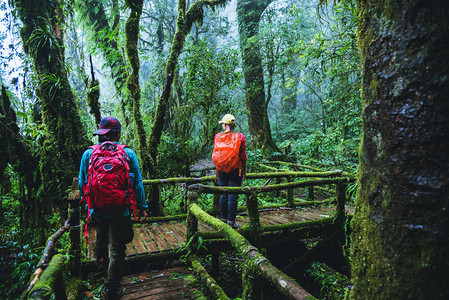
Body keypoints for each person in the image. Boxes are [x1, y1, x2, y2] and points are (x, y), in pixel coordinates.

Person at [78, 117, 148, 299]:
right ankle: (112, 288)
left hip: (97, 209)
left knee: (101, 236)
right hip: (121, 210)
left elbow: (82, 183)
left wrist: (88, 205)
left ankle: (102, 263)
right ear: (117, 133)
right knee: (117, 249)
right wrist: (142, 206)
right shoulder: (128, 153)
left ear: (101, 134)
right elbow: (138, 182)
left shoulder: (88, 154)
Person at [212, 114, 247, 228]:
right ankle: (231, 222)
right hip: (235, 170)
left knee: (224, 194)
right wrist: (244, 171)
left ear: (225, 125)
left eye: (222, 123)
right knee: (233, 196)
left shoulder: (218, 136)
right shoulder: (240, 137)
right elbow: (243, 156)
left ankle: (223, 221)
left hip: (221, 170)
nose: (222, 125)